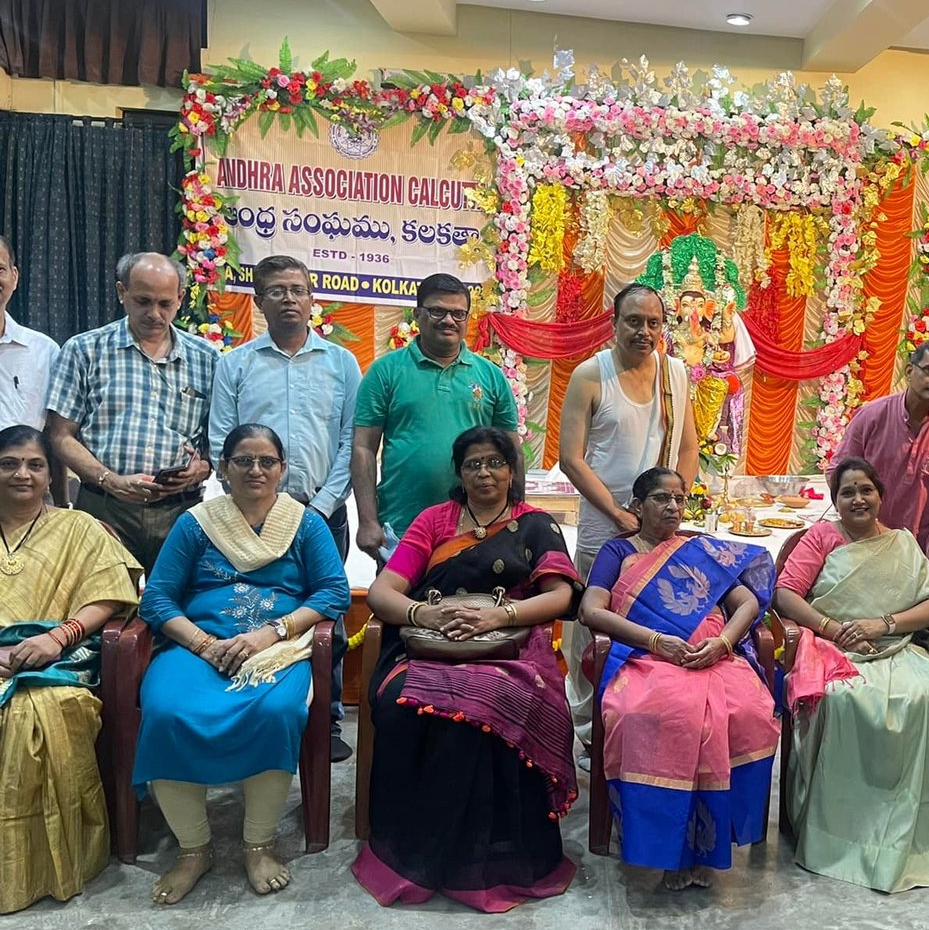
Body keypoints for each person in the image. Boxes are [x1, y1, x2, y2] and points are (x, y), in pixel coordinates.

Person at [352, 427, 581, 912]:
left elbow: (561, 595)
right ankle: (413, 852)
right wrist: (425, 614)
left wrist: (501, 616)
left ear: (512, 470)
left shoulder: (536, 524)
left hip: (510, 652)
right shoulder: (434, 520)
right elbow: (383, 592)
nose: (484, 472)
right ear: (459, 473)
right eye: (473, 463)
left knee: (490, 707)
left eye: (495, 462)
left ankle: (492, 859)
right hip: (428, 648)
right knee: (399, 704)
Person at [135, 424, 350, 904]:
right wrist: (203, 643)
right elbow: (158, 599)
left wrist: (271, 633)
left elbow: (333, 592)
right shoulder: (197, 523)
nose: (256, 470)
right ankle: (193, 849)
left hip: (275, 649)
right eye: (243, 461)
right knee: (166, 711)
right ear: (224, 468)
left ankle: (259, 844)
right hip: (197, 647)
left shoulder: (305, 523)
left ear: (282, 469)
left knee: (275, 711)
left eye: (267, 461)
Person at [578, 467, 779, 890]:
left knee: (750, 712)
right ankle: (666, 850)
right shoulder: (618, 551)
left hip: (711, 655)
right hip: (645, 656)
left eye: (679, 498)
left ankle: (708, 845)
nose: (673, 506)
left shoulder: (697, 548)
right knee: (644, 714)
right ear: (637, 506)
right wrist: (656, 641)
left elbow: (746, 602)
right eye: (661, 498)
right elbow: (591, 610)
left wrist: (723, 643)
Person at [773, 457, 929, 892]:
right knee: (843, 698)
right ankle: (837, 833)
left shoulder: (901, 542)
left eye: (865, 490)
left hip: (895, 647)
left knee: (922, 694)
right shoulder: (822, 537)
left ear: (880, 495)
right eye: (847, 492)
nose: (857, 499)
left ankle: (901, 831)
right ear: (835, 500)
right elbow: (784, 593)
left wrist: (884, 624)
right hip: (834, 648)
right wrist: (833, 628)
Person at [210, 254, 363, 762]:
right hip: (253, 517)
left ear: (312, 297)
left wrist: (319, 507)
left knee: (326, 613)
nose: (289, 299)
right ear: (259, 301)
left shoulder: (341, 363)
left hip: (322, 515)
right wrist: (259, 504)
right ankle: (254, 705)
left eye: (297, 289)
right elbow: (221, 441)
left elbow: (352, 442)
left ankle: (327, 719)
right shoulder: (234, 364)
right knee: (257, 606)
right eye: (277, 291)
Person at [0, 425, 140, 914]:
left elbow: (112, 593)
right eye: (9, 463)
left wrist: (57, 637)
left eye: (35, 465)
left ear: (51, 474)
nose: (22, 474)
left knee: (40, 712)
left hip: (58, 660)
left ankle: (45, 866)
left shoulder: (78, 528)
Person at [558, 284, 696, 749]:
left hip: (658, 527)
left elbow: (689, 449)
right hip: (605, 523)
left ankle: (639, 718)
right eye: (633, 321)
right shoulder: (590, 374)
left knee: (650, 615)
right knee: (593, 623)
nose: (644, 331)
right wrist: (617, 513)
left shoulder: (675, 374)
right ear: (614, 323)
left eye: (653, 323)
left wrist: (671, 504)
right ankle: (587, 728)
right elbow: (571, 458)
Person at [45, 252, 218, 572]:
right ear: (121, 292)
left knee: (176, 600)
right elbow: (59, 435)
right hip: (104, 507)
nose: (154, 314)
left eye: (165, 304)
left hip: (181, 511)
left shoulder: (207, 358)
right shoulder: (85, 350)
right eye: (143, 301)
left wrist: (202, 468)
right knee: (102, 599)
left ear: (181, 299)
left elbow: (217, 439)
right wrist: (111, 480)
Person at [352, 272, 518, 562]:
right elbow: (363, 447)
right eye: (437, 311)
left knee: (471, 593)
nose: (448, 320)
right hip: (403, 525)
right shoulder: (385, 371)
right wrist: (367, 520)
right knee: (398, 592)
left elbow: (512, 449)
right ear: (418, 315)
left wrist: (518, 516)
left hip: (477, 527)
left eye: (458, 313)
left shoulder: (491, 376)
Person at [837, 338, 929, 553]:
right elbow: (838, 471)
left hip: (917, 544)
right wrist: (858, 523)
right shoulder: (872, 415)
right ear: (909, 372)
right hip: (863, 538)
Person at [0, 234, 61, 434]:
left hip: (26, 455)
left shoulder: (45, 352)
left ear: (14, 277)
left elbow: (57, 431)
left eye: (0, 269)